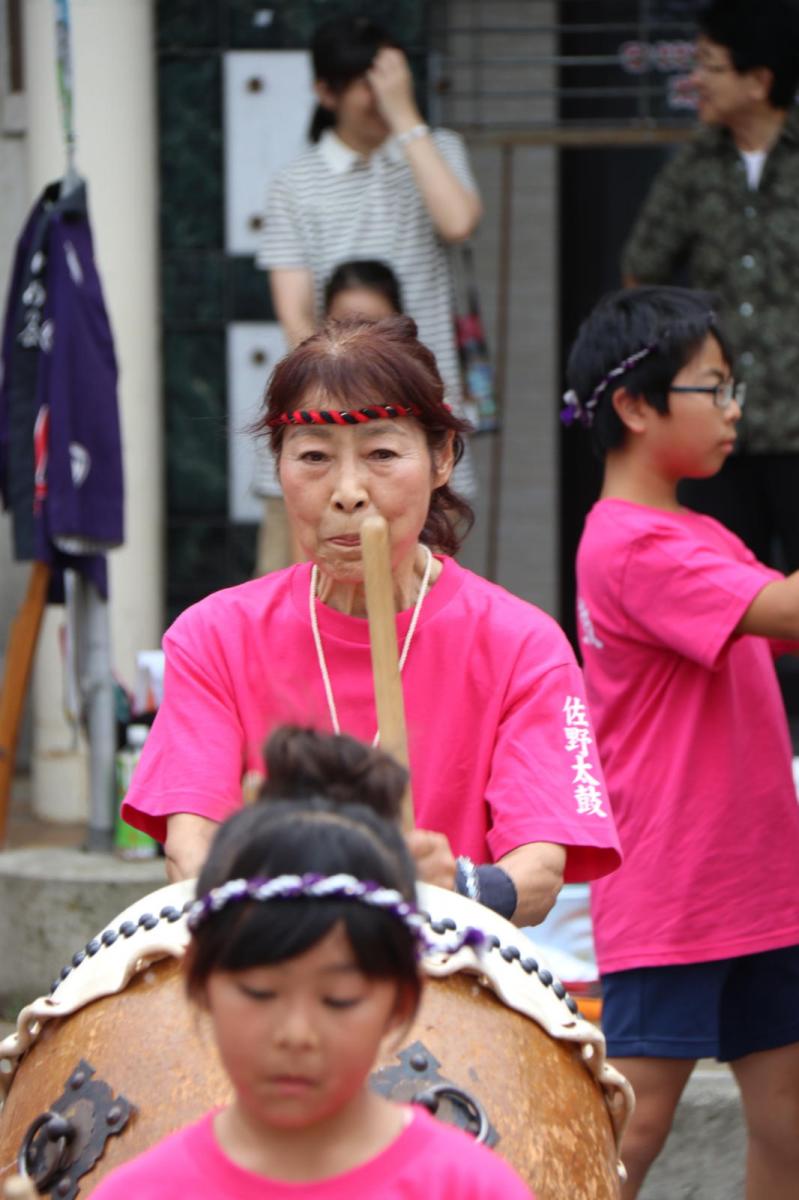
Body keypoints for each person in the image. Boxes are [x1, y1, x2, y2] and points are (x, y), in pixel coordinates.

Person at [123, 316, 621, 926]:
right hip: (264, 967)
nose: (348, 492)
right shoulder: (215, 636)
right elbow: (190, 849)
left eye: (382, 453)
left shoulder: (522, 644)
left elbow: (539, 872)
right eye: (313, 457)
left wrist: (453, 886)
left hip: (451, 974)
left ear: (442, 459)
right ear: (278, 467)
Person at [563, 285, 799, 1198]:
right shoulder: (630, 545)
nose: (734, 408)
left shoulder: (692, 533)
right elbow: (781, 608)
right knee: (635, 1121)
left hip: (754, 885)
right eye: (714, 386)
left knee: (784, 1119)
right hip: (675, 889)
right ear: (634, 405)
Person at [92, 726, 535, 1199]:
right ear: (199, 983)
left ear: (402, 1001)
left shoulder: (469, 1188)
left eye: (339, 999)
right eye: (260, 992)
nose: (296, 1035)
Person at [253, 14, 482, 570]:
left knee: (430, 595)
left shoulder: (435, 149)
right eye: (365, 81)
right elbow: (294, 318)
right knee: (298, 592)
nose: (379, 93)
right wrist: (344, 403)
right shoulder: (295, 182)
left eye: (389, 77)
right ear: (326, 91)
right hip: (322, 420)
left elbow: (458, 221)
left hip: (417, 420)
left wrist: (407, 117)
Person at [622, 0, 799, 573]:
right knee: (719, 591)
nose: (695, 79)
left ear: (758, 80)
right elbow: (640, 269)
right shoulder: (695, 164)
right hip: (718, 427)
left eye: (710, 65)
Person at [253, 259, 403, 575]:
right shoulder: (302, 399)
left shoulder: (415, 399)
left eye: (383, 452)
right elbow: (302, 539)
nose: (359, 338)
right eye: (345, 323)